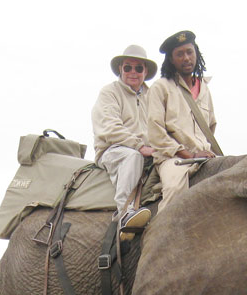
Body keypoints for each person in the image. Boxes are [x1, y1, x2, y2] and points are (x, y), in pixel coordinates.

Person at [148, 31, 221, 208]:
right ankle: (162, 234)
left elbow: (210, 127)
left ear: (196, 53)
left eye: (189, 52)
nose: (186, 58)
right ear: (172, 60)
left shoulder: (204, 88)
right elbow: (156, 133)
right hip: (174, 158)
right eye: (179, 54)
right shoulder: (161, 87)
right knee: (174, 189)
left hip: (205, 156)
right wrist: (189, 154)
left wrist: (204, 151)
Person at [92, 45, 157, 240]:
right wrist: (139, 146)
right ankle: (126, 212)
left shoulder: (153, 96)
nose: (133, 72)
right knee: (132, 156)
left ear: (145, 71)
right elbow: (110, 127)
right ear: (120, 69)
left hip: (149, 151)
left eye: (138, 68)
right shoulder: (109, 93)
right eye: (128, 67)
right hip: (114, 149)